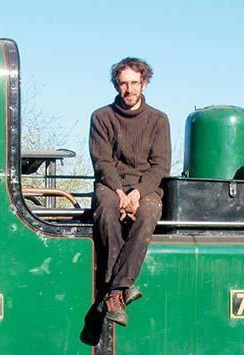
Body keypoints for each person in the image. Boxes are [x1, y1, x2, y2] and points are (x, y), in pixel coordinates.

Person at [89, 57, 171, 326]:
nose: (129, 89)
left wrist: (137, 193)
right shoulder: (101, 117)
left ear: (144, 84)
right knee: (107, 209)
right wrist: (119, 191)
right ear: (116, 85)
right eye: (123, 83)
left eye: (134, 83)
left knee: (148, 213)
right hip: (111, 184)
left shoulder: (159, 120)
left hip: (145, 186)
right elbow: (102, 161)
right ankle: (123, 289)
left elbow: (160, 166)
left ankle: (115, 290)